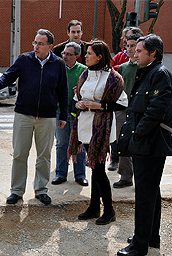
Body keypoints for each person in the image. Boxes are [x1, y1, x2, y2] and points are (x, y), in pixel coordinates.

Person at [0, 29, 68, 205]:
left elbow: (63, 91)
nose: (36, 47)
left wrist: (63, 114)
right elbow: (7, 77)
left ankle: (41, 190)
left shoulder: (58, 64)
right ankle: (16, 191)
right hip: (23, 115)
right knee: (19, 154)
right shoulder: (25, 60)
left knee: (44, 156)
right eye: (34, 43)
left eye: (40, 43)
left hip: (47, 117)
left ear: (50, 46)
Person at [117, 34, 172, 256]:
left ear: (154, 53)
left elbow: (155, 110)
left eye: (140, 51)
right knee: (151, 192)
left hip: (151, 144)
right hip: (145, 143)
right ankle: (150, 236)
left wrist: (138, 135)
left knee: (144, 195)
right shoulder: (147, 72)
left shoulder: (160, 74)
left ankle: (139, 245)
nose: (135, 53)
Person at [68, 40, 128, 225]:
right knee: (94, 168)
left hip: (101, 127)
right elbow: (79, 96)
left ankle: (109, 210)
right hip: (85, 125)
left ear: (100, 56)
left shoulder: (113, 77)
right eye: (85, 53)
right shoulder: (85, 74)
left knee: (99, 170)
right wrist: (79, 101)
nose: (85, 56)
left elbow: (122, 103)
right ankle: (94, 207)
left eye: (89, 53)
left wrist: (99, 105)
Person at [52, 42, 88, 186]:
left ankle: (80, 175)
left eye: (69, 54)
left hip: (77, 113)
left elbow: (89, 92)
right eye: (64, 53)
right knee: (61, 143)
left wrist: (80, 91)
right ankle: (61, 173)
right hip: (60, 111)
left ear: (77, 56)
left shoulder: (84, 71)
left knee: (79, 143)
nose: (65, 56)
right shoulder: (57, 68)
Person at [109, 26, 143, 171]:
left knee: (138, 145)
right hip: (122, 110)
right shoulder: (122, 68)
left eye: (133, 46)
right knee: (122, 142)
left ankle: (139, 174)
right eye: (127, 46)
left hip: (138, 111)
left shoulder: (145, 68)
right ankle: (125, 175)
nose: (129, 49)